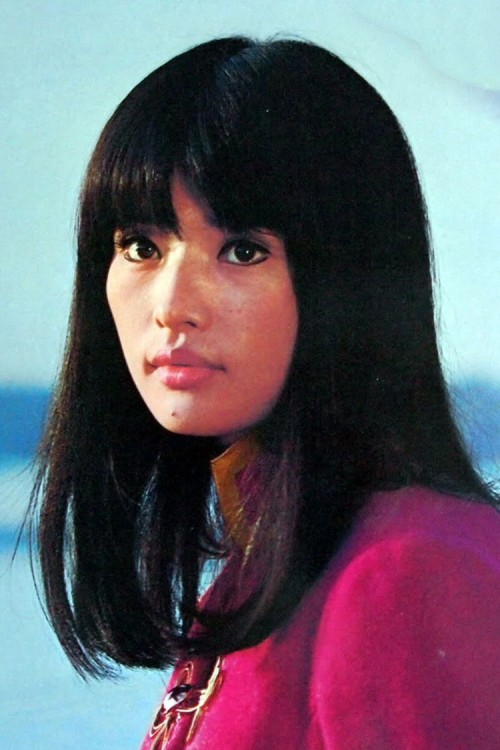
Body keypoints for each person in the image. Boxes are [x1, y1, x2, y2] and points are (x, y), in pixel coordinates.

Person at [30, 36, 500, 749]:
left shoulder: (411, 572)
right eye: (141, 247)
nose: (172, 305)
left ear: (350, 283)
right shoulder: (264, 571)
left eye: (243, 250)